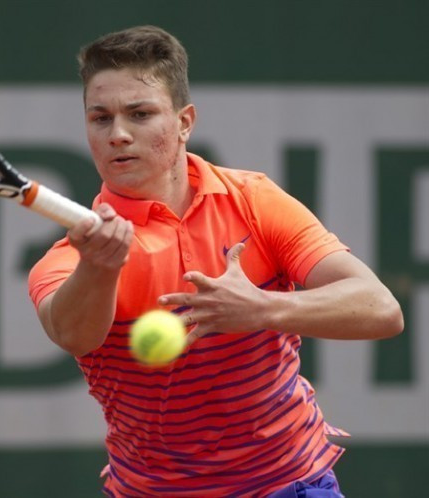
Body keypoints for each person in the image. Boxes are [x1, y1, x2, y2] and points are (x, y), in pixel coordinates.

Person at [28, 25, 403, 497]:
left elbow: (381, 309)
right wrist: (99, 268)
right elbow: (72, 335)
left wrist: (263, 309)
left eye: (140, 114)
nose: (118, 135)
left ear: (184, 122)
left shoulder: (254, 201)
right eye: (100, 118)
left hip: (291, 482)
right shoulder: (70, 259)